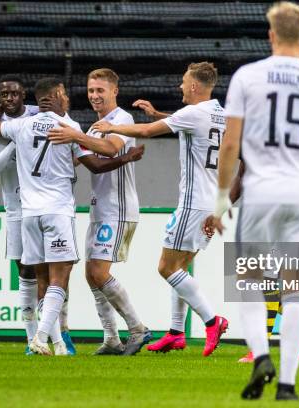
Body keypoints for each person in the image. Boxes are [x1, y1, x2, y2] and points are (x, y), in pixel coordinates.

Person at [208, 1, 299, 400]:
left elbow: (231, 144)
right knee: (295, 287)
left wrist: (219, 201)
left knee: (249, 279)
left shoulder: (248, 77)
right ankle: (287, 385)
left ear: (270, 35)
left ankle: (261, 355)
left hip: (261, 194)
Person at [0, 77, 144, 355]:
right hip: (57, 211)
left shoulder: (20, 126)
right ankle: (41, 338)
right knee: (60, 278)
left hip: (28, 213)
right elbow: (94, 164)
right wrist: (126, 158)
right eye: (65, 94)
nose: (70, 98)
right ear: (56, 96)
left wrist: (1, 103)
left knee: (39, 280)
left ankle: (59, 344)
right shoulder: (71, 128)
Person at [90, 62, 229, 357]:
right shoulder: (218, 112)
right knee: (181, 268)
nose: (180, 86)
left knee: (166, 268)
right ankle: (177, 333)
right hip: (211, 199)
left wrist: (112, 126)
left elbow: (147, 131)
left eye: (183, 82)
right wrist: (159, 115)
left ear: (193, 86)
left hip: (193, 202)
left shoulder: (192, 113)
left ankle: (212, 321)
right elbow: (187, 124)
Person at [47, 68, 150, 355]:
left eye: (100, 90)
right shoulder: (93, 127)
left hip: (119, 209)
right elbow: (86, 160)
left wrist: (74, 136)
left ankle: (138, 329)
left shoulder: (122, 119)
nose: (94, 96)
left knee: (98, 272)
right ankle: (111, 339)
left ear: (114, 91)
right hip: (99, 209)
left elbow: (108, 148)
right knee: (91, 275)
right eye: (91, 91)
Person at [228, 163, 299, 364]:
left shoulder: (262, 142)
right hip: (275, 216)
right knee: (265, 284)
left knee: (265, 283)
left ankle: (259, 350)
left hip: (282, 217)